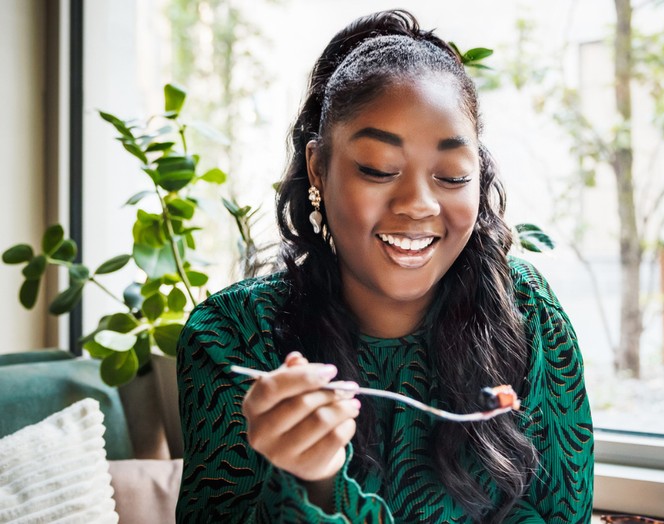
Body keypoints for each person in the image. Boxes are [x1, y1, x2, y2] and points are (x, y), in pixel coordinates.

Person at [175, 9, 593, 523]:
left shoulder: (527, 313)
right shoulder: (231, 336)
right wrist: (316, 482)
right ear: (317, 169)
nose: (418, 204)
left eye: (453, 175)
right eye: (377, 169)